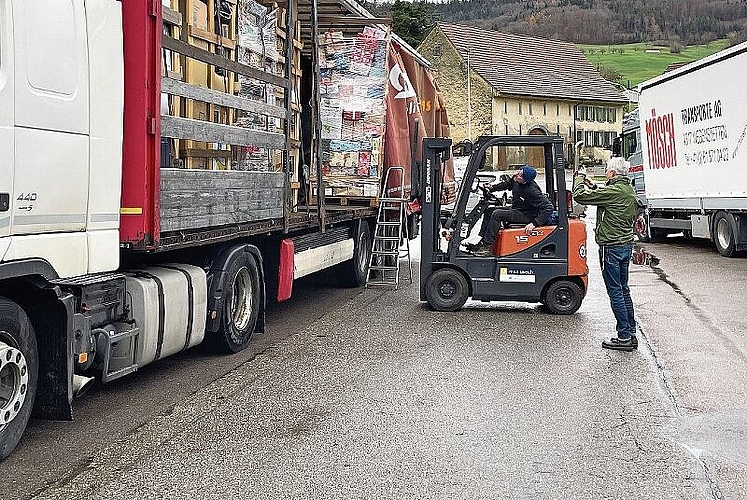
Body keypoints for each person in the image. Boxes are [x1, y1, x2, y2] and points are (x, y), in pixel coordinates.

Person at [573, 157, 638, 352]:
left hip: (611, 246)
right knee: (624, 289)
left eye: (607, 170)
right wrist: (594, 185)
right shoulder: (626, 189)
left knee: (615, 291)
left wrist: (580, 178)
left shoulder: (613, 191)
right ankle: (631, 332)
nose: (606, 172)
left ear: (613, 173)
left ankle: (624, 337)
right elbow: (606, 194)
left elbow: (579, 197)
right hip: (625, 245)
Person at [472, 165, 554, 256]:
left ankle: (487, 247)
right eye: (519, 171)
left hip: (526, 215)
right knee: (489, 210)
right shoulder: (517, 180)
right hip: (517, 208)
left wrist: (534, 223)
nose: (516, 174)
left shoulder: (532, 191)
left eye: (520, 175)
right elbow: (507, 184)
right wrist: (492, 188)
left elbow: (548, 207)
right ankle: (483, 241)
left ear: (525, 181)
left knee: (497, 214)